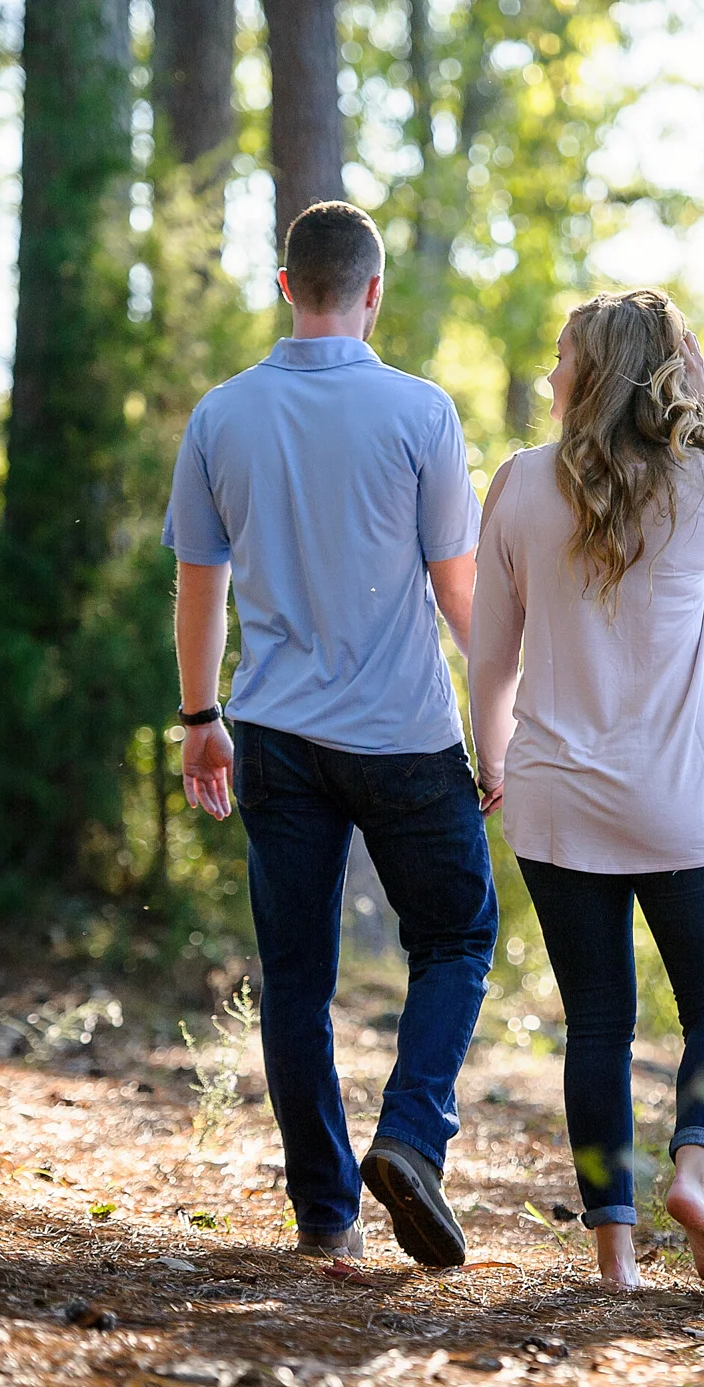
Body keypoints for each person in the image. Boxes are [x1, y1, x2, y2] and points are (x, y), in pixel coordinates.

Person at [165, 200, 495, 1268]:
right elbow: (458, 593)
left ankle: (328, 1222)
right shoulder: (420, 410)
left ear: (282, 284)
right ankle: (408, 1139)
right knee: (453, 936)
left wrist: (199, 717)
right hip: (403, 733)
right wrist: (504, 721)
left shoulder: (221, 415)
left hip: (275, 735)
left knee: (295, 976)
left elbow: (196, 585)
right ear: (372, 291)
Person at [468, 288, 704, 1294]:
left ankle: (613, 1259)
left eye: (560, 357)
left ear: (586, 375)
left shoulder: (519, 484)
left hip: (553, 797)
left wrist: (490, 762)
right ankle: (693, 1169)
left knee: (597, 1027)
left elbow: (492, 660)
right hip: (681, 803)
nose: (547, 374)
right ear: (662, 374)